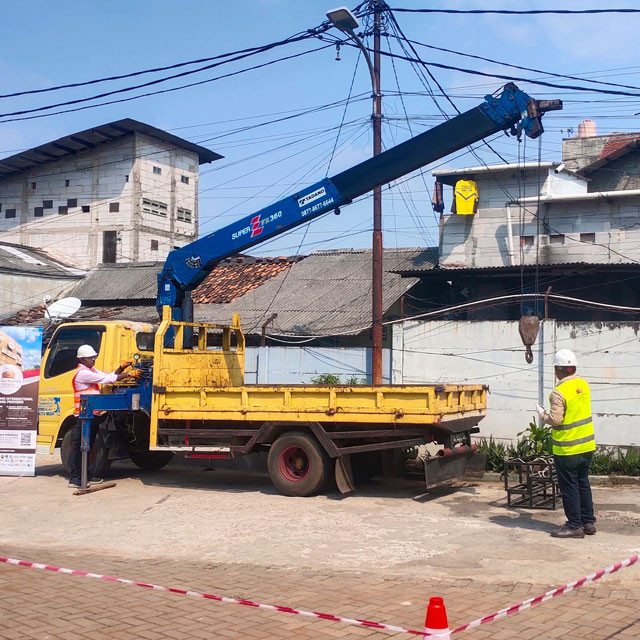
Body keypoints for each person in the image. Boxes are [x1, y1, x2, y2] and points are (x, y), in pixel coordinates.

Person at [536, 349, 596, 539]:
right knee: (583, 483)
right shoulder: (584, 385)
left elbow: (556, 420)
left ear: (558, 370)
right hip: (586, 447)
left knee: (569, 487)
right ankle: (588, 522)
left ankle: (574, 526)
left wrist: (542, 414)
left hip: (567, 449)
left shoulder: (559, 392)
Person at [68, 344, 139, 488]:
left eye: (94, 356)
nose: (93, 359)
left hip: (92, 415)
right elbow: (107, 380)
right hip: (83, 416)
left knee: (89, 446)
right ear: (82, 359)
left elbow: (109, 376)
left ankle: (87, 475)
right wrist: (128, 374)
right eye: (90, 357)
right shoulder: (82, 373)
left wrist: (121, 368)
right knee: (80, 447)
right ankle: (75, 478)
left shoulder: (91, 370)